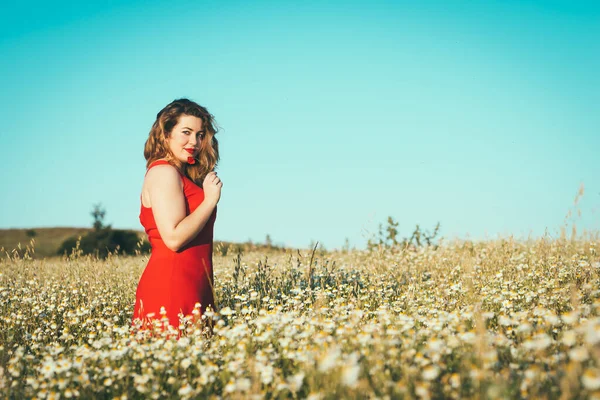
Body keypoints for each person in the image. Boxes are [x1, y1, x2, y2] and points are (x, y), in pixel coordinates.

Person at [132, 98, 223, 332]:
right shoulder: (164, 172)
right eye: (186, 132)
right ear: (166, 134)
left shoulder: (181, 175)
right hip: (172, 285)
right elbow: (173, 238)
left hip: (195, 283)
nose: (194, 141)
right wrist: (210, 200)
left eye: (200, 134)